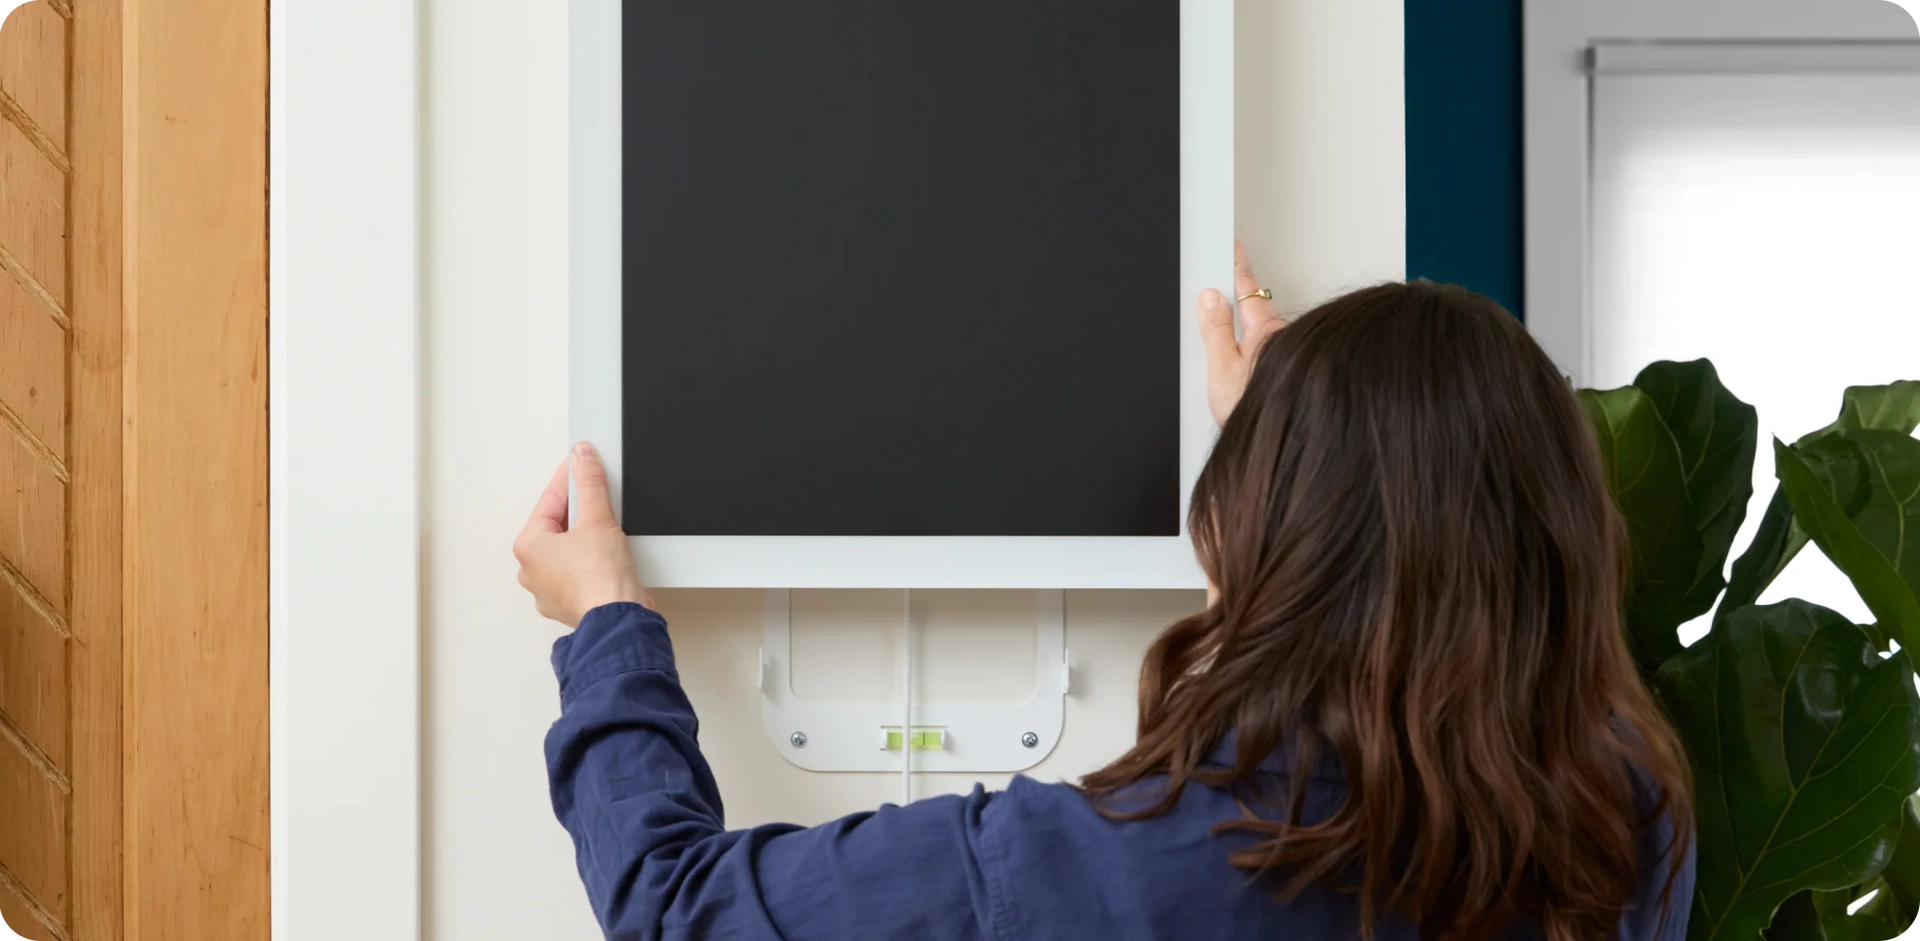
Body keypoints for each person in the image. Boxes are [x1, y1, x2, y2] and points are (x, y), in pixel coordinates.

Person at [513, 245, 1695, 941]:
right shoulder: (1627, 816)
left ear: (1274, 525)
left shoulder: (1137, 857)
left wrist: (608, 627)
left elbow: (680, 910)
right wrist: (1317, 456)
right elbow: (1436, 583)